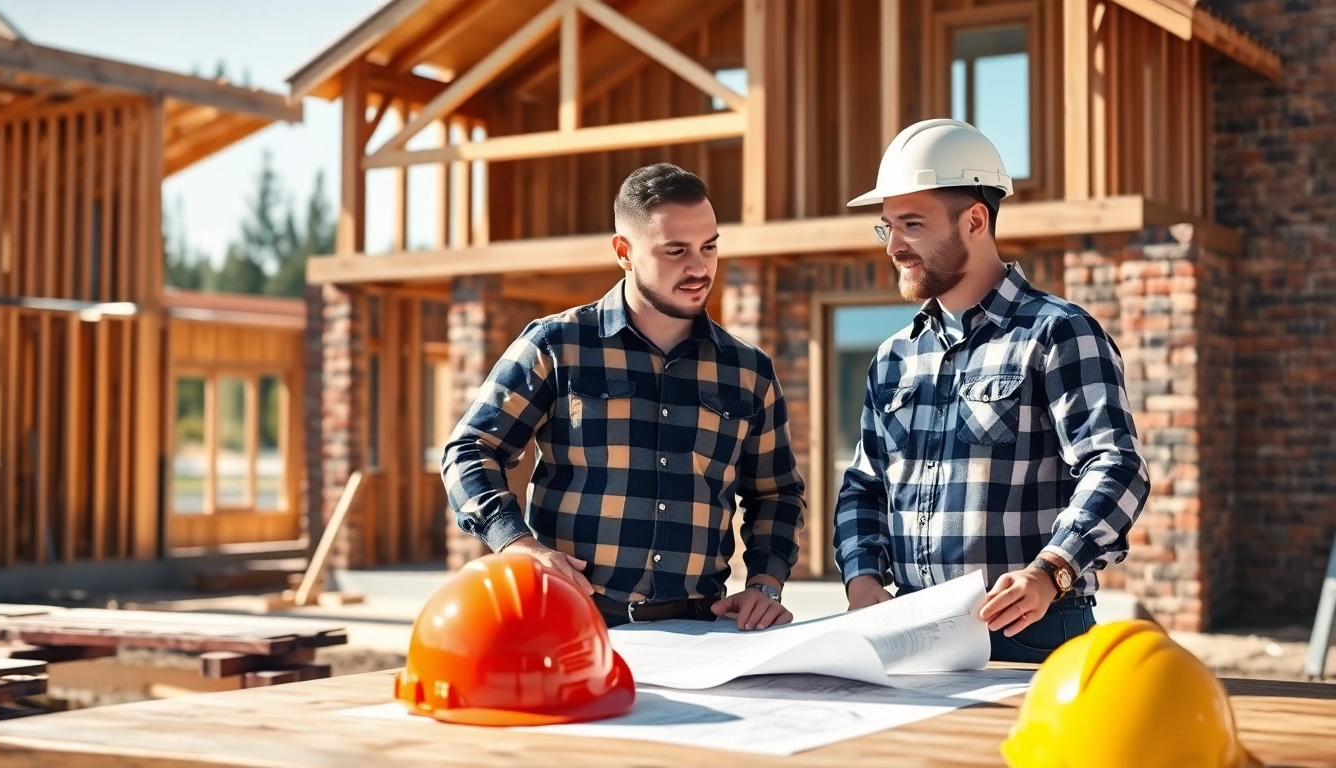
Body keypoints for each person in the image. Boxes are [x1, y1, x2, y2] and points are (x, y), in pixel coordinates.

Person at [834, 118, 1151, 662]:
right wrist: (862, 580)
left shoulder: (1057, 332)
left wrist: (1052, 570)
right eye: (887, 227)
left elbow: (1116, 466)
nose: (895, 246)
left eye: (912, 223)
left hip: (1036, 631)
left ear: (975, 220)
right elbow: (864, 486)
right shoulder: (895, 357)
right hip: (912, 633)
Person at [442, 163, 806, 632]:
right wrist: (517, 547)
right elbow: (470, 450)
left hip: (702, 632)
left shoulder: (748, 371)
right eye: (675, 250)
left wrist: (765, 583)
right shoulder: (558, 344)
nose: (699, 267)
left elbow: (777, 492)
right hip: (569, 626)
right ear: (624, 252)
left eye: (709, 247)